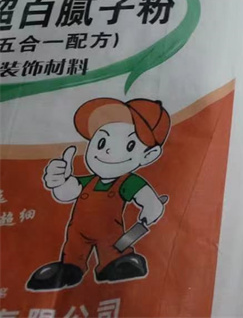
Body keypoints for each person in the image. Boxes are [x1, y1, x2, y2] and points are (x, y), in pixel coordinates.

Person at [27, 98, 171, 290]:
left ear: (148, 155)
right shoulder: (89, 181)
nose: (108, 150)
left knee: (114, 251)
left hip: (110, 233)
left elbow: (148, 200)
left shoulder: (128, 182)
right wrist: (60, 180)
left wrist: (149, 212)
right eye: (101, 142)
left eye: (129, 145)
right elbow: (66, 194)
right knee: (73, 250)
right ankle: (69, 267)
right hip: (77, 233)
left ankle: (116, 263)